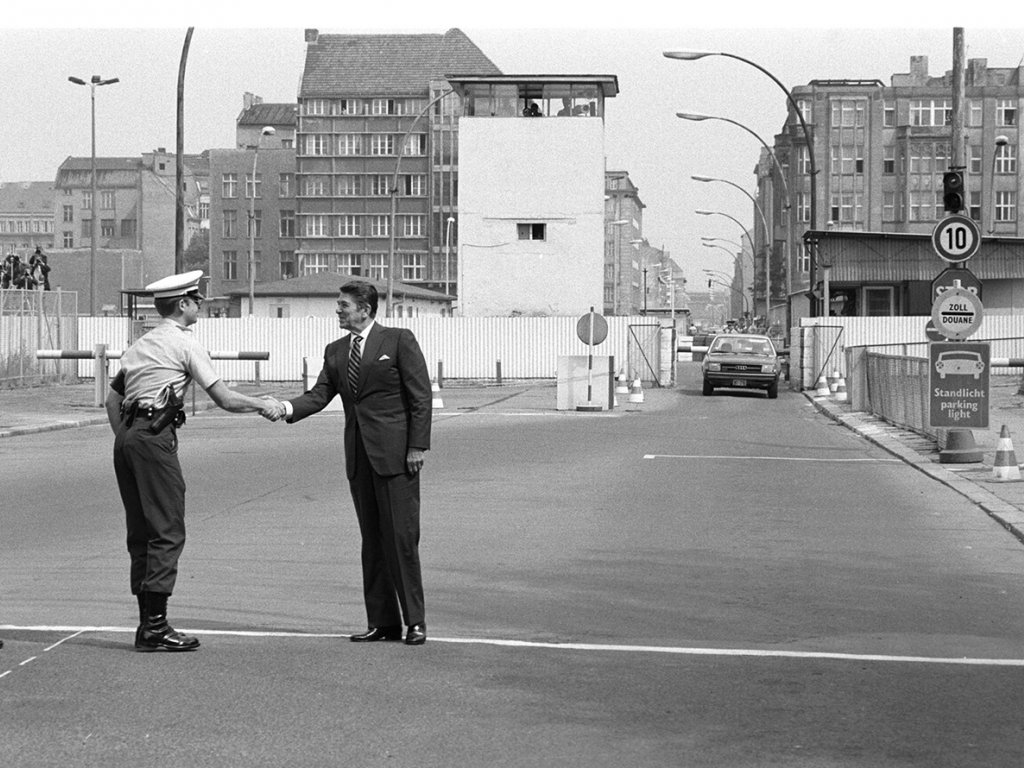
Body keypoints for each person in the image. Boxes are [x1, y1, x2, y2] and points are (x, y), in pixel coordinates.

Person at [105, 269, 279, 652]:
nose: (200, 304)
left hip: (129, 439)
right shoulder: (185, 343)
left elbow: (112, 399)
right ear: (182, 304)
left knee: (141, 535)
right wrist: (263, 404)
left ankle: (146, 624)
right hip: (153, 439)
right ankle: (156, 627)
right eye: (196, 299)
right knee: (167, 530)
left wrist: (127, 436)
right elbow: (225, 398)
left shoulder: (141, 344)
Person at [263, 280, 432, 646]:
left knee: (401, 539)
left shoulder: (399, 341)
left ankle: (414, 621)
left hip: (397, 457)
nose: (338, 310)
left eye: (343, 305)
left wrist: (417, 446)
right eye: (338, 305)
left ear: (365, 309)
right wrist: (285, 408)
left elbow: (420, 398)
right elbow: (320, 394)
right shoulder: (336, 351)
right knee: (372, 541)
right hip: (359, 458)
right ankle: (383, 622)